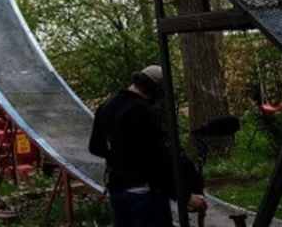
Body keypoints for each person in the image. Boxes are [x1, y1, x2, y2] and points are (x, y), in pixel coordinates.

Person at [89, 65, 207, 227]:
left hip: (118, 192)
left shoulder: (106, 106)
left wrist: (120, 159)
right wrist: (185, 196)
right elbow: (157, 162)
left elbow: (95, 147)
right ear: (155, 89)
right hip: (145, 195)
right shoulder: (142, 111)